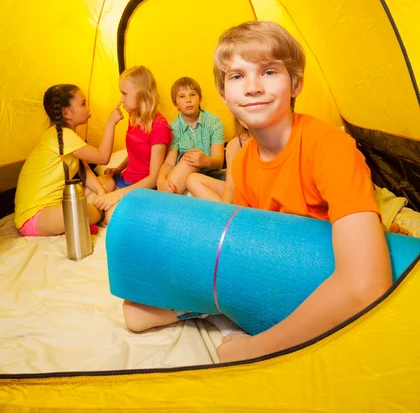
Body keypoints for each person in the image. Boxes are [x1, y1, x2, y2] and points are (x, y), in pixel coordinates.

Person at [123, 21, 392, 365]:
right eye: (237, 76)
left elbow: (365, 284)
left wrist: (254, 348)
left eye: (268, 72)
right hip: (271, 267)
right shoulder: (245, 160)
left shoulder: (330, 148)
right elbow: (244, 249)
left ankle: (207, 309)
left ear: (295, 83)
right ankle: (204, 306)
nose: (252, 87)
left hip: (319, 276)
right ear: (223, 94)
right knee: (135, 310)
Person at [14, 84, 123, 236]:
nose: (88, 108)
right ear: (66, 113)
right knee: (80, 210)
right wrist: (110, 123)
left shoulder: (69, 137)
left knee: (107, 181)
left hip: (59, 204)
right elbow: (103, 157)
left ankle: (87, 217)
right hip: (35, 216)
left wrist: (101, 194)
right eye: (83, 104)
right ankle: (91, 216)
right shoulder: (62, 135)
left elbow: (84, 171)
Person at [95, 66, 172, 222]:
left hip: (143, 188)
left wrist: (117, 194)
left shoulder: (159, 126)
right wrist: (118, 168)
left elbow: (154, 177)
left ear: (142, 94)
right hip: (126, 179)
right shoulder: (133, 117)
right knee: (95, 187)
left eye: (124, 93)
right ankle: (84, 220)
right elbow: (135, 153)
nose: (121, 99)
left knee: (111, 216)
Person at [157, 77, 224, 195]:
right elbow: (169, 163)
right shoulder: (174, 128)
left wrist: (206, 161)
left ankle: (164, 200)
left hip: (208, 177)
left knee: (192, 159)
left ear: (200, 99)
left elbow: (219, 160)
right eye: (182, 96)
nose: (188, 100)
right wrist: (161, 179)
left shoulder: (214, 122)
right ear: (175, 104)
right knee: (188, 159)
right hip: (183, 176)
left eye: (192, 94)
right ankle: (164, 197)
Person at [186, 119, 250, 203]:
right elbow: (230, 187)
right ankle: (231, 213)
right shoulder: (235, 144)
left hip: (262, 196)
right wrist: (225, 211)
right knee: (192, 179)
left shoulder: (270, 141)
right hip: (243, 193)